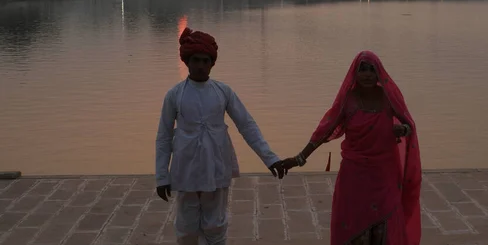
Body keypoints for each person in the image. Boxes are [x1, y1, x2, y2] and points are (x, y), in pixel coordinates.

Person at [155, 27, 286, 245]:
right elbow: (164, 137)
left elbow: (247, 126)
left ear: (212, 63)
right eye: (195, 60)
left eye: (205, 61)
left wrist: (270, 158)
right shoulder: (174, 95)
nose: (200, 65)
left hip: (216, 165)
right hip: (185, 168)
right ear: (187, 61)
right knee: (186, 227)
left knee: (215, 225)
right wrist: (161, 176)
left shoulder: (223, 91)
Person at [282, 51, 422, 245]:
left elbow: (409, 126)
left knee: (384, 230)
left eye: (372, 70)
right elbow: (324, 131)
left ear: (379, 73)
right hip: (354, 177)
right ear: (354, 73)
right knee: (356, 232)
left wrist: (402, 129)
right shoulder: (348, 101)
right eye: (362, 69)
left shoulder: (389, 98)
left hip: (385, 176)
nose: (367, 75)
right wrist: (299, 158)